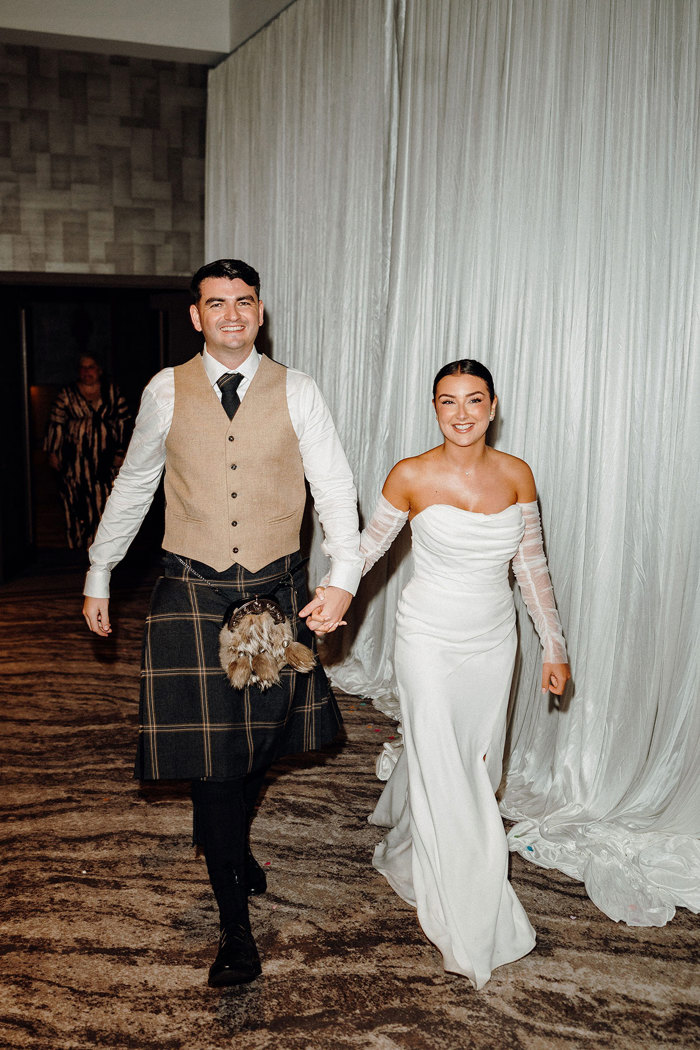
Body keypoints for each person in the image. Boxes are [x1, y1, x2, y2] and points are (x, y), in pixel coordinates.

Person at [82, 259, 362, 988]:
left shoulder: (297, 390)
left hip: (275, 593)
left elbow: (334, 486)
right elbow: (137, 481)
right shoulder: (162, 389)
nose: (231, 314)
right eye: (216, 303)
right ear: (196, 316)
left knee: (259, 742)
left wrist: (342, 577)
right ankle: (235, 931)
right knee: (213, 760)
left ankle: (229, 842)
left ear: (260, 312)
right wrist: (100, 569)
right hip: (190, 590)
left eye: (244, 302)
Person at [307, 358, 571, 989]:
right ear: (434, 407)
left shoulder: (517, 476)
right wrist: (334, 591)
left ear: (493, 406)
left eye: (473, 400)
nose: (461, 413)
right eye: (448, 401)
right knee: (446, 767)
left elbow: (531, 569)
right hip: (425, 636)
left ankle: (410, 845)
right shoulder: (410, 474)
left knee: (474, 761)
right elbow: (369, 547)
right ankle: (472, 898)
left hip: (491, 641)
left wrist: (554, 646)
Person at [45, 354, 131, 548]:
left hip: (105, 462)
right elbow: (55, 423)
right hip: (73, 463)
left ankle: (100, 552)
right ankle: (75, 551)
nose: (86, 372)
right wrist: (53, 452)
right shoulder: (67, 394)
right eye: (82, 368)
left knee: (103, 506)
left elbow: (125, 424)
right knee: (74, 506)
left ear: (98, 370)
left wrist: (121, 452)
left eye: (90, 367)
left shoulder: (112, 393)